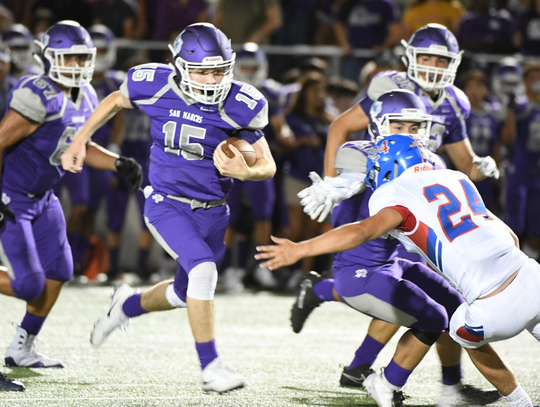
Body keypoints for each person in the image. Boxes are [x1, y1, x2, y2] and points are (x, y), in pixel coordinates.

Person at [60, 23, 276, 393]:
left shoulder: (241, 103)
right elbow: (114, 100)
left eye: (219, 69)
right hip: (166, 203)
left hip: (213, 210)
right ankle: (211, 368)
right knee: (204, 272)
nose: (211, 79)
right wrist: (80, 139)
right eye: (201, 70)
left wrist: (248, 171)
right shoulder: (154, 83)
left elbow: (267, 165)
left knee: (181, 293)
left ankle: (124, 307)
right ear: (177, 65)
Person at [256, 134, 537, 407]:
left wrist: (301, 249)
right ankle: (428, 384)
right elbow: (509, 235)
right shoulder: (456, 177)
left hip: (492, 308)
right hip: (530, 274)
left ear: (387, 166)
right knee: (441, 311)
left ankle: (517, 401)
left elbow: (362, 231)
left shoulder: (393, 193)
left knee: (458, 328)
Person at [291, 89, 499, 406]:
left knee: (457, 309)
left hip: (396, 256)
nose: (407, 135)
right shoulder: (360, 152)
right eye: (398, 126)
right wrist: (336, 186)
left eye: (414, 128)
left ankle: (450, 387)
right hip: (361, 262)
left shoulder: (430, 160)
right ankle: (382, 380)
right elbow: (354, 177)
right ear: (377, 126)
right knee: (431, 316)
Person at [0, 20, 142, 368]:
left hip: (43, 197)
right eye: (68, 58)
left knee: (60, 270)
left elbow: (79, 146)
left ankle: (22, 347)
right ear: (48, 58)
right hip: (13, 196)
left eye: (81, 58)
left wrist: (116, 163)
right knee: (29, 284)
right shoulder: (38, 95)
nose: (76, 66)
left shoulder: (88, 94)